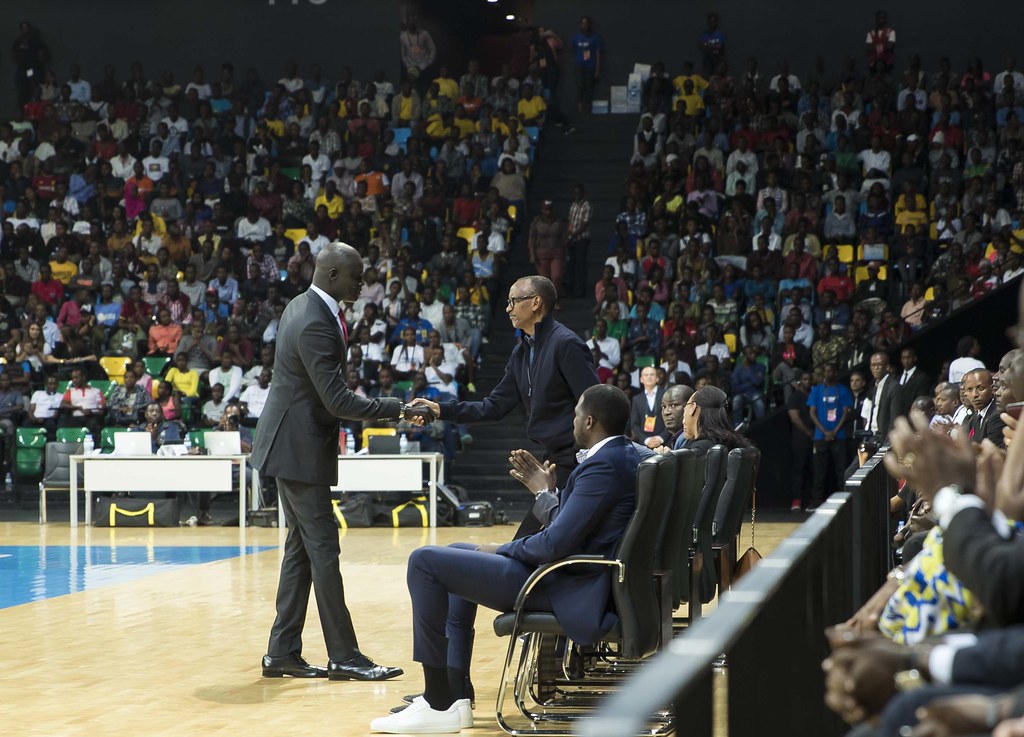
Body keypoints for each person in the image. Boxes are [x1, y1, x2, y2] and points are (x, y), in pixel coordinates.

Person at [369, 385, 637, 734]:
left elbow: (555, 543)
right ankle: (456, 694)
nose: (571, 422)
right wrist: (546, 494)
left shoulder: (603, 466)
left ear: (589, 421)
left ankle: (437, 701)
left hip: (564, 583)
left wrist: (502, 548)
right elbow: (574, 526)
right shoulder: (623, 455)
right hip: (569, 573)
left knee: (424, 561)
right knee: (458, 550)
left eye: (575, 415)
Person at [250, 242, 433, 682]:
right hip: (297, 450)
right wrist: (398, 408)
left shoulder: (301, 305)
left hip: (289, 446)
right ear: (333, 275)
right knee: (323, 549)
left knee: (300, 549)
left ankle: (281, 652)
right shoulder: (315, 320)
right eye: (357, 276)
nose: (363, 284)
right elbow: (336, 400)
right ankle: (344, 656)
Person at [409, 276, 599, 533]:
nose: (508, 308)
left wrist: (587, 457)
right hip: (553, 459)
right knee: (533, 542)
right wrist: (440, 409)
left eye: (513, 301)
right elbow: (493, 407)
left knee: (527, 541)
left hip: (576, 460)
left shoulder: (566, 344)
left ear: (536, 303)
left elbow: (595, 404)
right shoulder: (521, 353)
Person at [808, 363, 854, 509]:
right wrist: (825, 431)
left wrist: (834, 431)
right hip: (820, 437)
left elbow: (846, 412)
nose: (829, 373)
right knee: (819, 471)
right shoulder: (816, 390)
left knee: (841, 470)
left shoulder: (843, 390)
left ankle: (844, 501)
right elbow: (812, 412)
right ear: (823, 373)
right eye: (826, 371)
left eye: (831, 370)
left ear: (836, 372)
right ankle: (816, 500)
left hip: (839, 436)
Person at [787, 371, 814, 510]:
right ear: (800, 381)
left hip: (816, 438)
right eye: (804, 379)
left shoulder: (814, 395)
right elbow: (794, 418)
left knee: (815, 470)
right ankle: (796, 500)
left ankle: (813, 500)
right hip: (800, 439)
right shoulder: (795, 397)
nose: (807, 381)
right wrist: (808, 432)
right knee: (799, 468)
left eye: (809, 379)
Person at [961, 368, 1005, 447]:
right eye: (970, 389)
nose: (975, 394)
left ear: (992, 389)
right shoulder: (973, 418)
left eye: (980, 388)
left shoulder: (997, 415)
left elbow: (994, 451)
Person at [651, 384, 695, 453]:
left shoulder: (696, 440)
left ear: (691, 407)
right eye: (663, 407)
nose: (666, 412)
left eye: (673, 405)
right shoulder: (675, 439)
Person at [629, 365, 665, 445]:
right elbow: (634, 423)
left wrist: (661, 438)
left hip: (664, 442)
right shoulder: (636, 399)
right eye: (646, 375)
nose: (649, 377)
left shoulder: (666, 395)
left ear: (657, 378)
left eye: (652, 374)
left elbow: (672, 420)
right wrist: (646, 440)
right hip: (644, 444)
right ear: (641, 379)